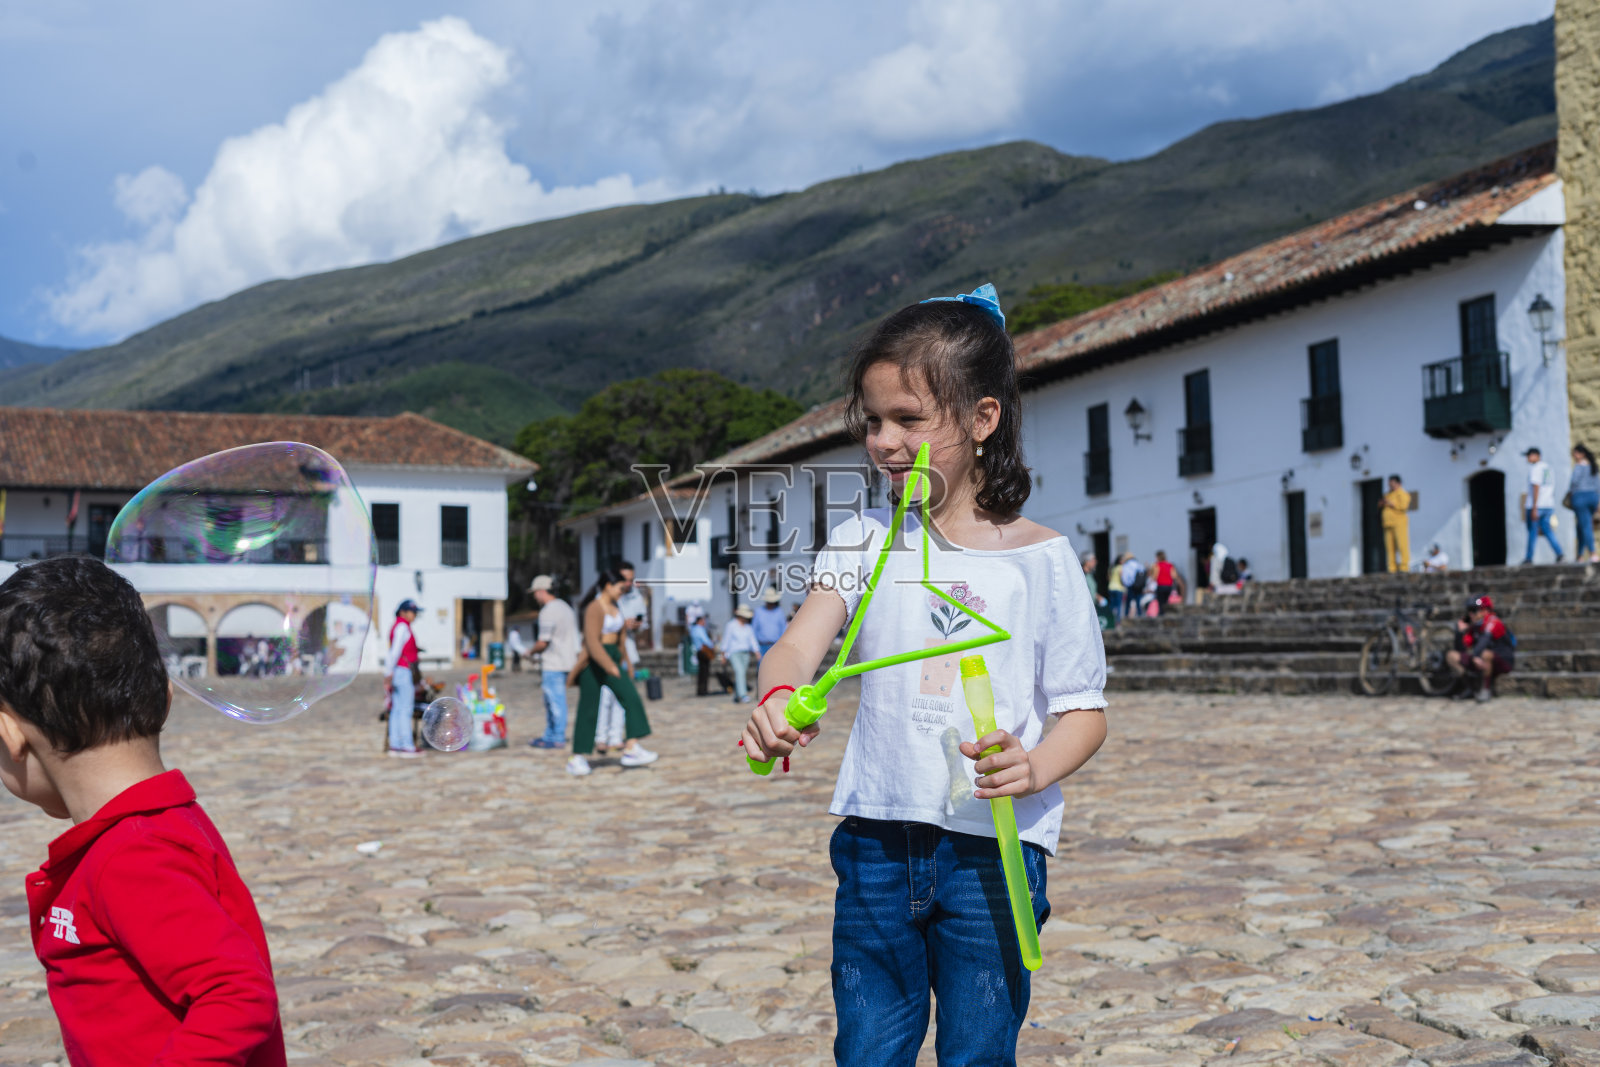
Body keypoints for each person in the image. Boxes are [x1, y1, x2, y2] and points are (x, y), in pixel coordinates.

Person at [741, 284, 1108, 1065]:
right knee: (869, 1047)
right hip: (875, 837)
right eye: (872, 421)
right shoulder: (862, 538)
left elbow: (1083, 712)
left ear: (982, 419)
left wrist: (1034, 763)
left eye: (910, 419)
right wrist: (777, 697)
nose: (884, 440)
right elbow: (799, 644)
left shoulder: (1040, 560)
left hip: (992, 852)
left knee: (978, 1050)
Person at [0, 557, 286, 1065]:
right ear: (165, 697)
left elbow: (238, 995)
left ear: (10, 734)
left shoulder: (132, 855)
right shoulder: (158, 826)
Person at [568, 569, 657, 776]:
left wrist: (627, 663)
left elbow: (622, 639)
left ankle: (631, 747)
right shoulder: (594, 608)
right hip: (594, 661)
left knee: (631, 698)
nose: (622, 591)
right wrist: (609, 666)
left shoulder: (616, 606)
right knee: (588, 708)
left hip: (613, 657)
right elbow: (591, 641)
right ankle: (577, 757)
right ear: (608, 585)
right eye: (620, 587)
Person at [527, 576, 578, 750]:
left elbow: (543, 642)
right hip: (568, 660)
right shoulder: (566, 607)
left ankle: (557, 737)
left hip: (554, 663)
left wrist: (530, 652)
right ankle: (550, 734)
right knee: (555, 701)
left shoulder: (548, 611)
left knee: (555, 702)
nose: (534, 597)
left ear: (541, 591)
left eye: (535, 593)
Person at [1447, 594, 1514, 702]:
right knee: (1452, 656)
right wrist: (1459, 633)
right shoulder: (1474, 627)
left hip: (1502, 660)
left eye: (1474, 610)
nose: (1470, 614)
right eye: (1469, 610)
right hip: (1479, 659)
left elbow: (1485, 640)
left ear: (1485, 611)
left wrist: (1475, 655)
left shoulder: (1493, 621)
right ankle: (1470, 687)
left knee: (1485, 654)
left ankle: (1485, 689)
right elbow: (1461, 649)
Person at [385, 599, 422, 758]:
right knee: (405, 708)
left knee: (397, 708)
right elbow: (395, 651)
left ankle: (395, 745)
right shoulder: (402, 627)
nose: (414, 615)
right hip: (402, 670)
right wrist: (388, 672)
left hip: (397, 670)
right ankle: (406, 746)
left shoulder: (399, 626)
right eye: (413, 612)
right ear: (403, 612)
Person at [1524, 447, 1563, 564]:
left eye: (1529, 455)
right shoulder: (1549, 468)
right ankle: (1560, 554)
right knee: (1548, 531)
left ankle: (1529, 557)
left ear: (1536, 455)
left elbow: (1536, 487)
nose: (1527, 458)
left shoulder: (1536, 468)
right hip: (1548, 504)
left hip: (1536, 505)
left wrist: (1534, 507)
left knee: (1532, 531)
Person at [718, 604, 762, 702]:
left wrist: (757, 652)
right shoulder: (731, 625)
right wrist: (723, 654)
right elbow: (726, 640)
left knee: (741, 673)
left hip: (745, 654)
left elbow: (752, 640)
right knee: (739, 672)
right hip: (734, 653)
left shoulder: (748, 627)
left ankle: (737, 695)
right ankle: (743, 695)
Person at [1568, 443, 1599, 564]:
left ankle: (1593, 553)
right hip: (1593, 497)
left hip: (1580, 498)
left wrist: (1571, 494)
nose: (1574, 456)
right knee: (1580, 526)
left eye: (1575, 453)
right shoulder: (1593, 466)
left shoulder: (1579, 466)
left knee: (1585, 526)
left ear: (1581, 454)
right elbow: (1598, 485)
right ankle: (1580, 555)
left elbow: (1573, 482)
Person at [1380, 474, 1411, 573]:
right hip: (1388, 524)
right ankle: (1391, 568)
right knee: (1390, 548)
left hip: (1399, 523)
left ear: (1398, 483)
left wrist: (1390, 504)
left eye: (1392, 484)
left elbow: (1404, 506)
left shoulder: (1402, 494)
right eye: (1390, 484)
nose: (1391, 486)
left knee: (1402, 545)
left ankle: (1404, 567)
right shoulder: (1388, 495)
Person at [751, 585, 788, 655]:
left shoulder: (779, 612)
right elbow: (754, 629)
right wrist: (755, 647)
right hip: (761, 646)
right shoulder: (758, 612)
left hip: (776, 645)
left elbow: (783, 629)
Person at [689, 613, 716, 697]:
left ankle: (701, 689)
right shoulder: (699, 629)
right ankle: (703, 690)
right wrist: (712, 645)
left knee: (701, 672)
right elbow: (705, 640)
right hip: (703, 651)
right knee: (704, 672)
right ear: (700, 621)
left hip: (699, 651)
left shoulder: (693, 629)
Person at [1152, 550, 1184, 614]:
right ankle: (1164, 616)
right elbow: (1174, 576)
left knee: (1160, 603)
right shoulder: (1170, 565)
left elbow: (1155, 576)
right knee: (1165, 603)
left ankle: (1161, 616)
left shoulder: (1157, 565)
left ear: (1158, 557)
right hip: (1168, 587)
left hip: (1161, 586)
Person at [1119, 553, 1145, 619]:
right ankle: (1139, 613)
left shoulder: (1126, 565)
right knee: (1138, 600)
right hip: (1138, 585)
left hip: (1130, 585)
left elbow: (1125, 577)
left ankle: (1126, 614)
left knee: (1129, 600)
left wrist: (1125, 584)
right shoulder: (1138, 564)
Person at [1106, 553, 1127, 620]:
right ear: (1120, 561)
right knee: (1118, 606)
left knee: (1112, 605)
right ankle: (1117, 621)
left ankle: (1110, 619)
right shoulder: (1120, 567)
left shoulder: (1113, 568)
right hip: (1118, 588)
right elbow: (1121, 578)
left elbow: (1108, 578)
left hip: (1111, 587)